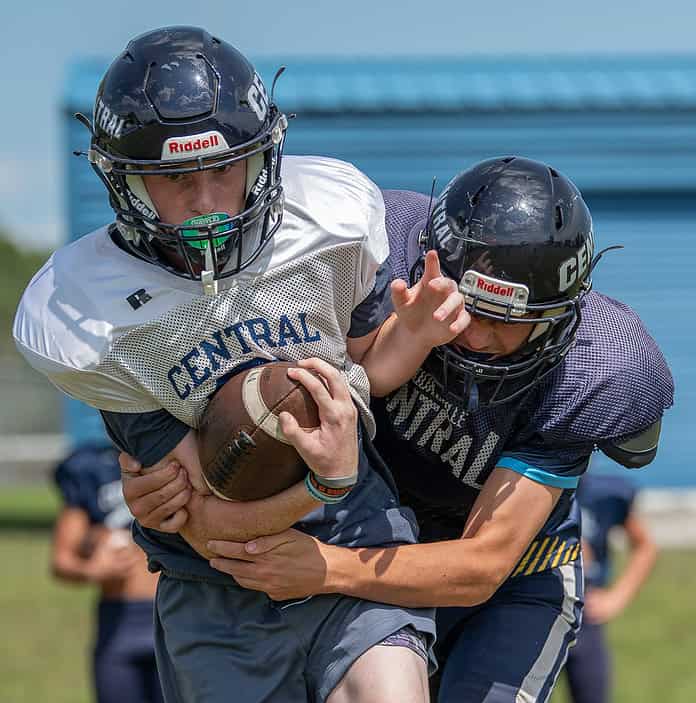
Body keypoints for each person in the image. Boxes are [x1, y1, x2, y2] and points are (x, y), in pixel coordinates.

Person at [14, 25, 472, 703]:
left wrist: (414, 334)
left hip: (353, 540)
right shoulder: (93, 312)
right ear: (126, 182)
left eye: (224, 169)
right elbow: (201, 515)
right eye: (174, 178)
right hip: (217, 583)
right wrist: (327, 480)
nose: (205, 201)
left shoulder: (328, 225)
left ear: (264, 158)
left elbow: (364, 372)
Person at [185, 157, 674, 702]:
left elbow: (483, 563)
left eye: (506, 320)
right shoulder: (378, 250)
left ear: (558, 313)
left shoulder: (593, 369)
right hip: (372, 544)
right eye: (465, 306)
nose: (476, 335)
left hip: (510, 583)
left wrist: (326, 568)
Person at [51, 443, 162, 703]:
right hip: (119, 623)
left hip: (176, 615)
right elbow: (62, 560)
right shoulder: (92, 468)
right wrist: (93, 569)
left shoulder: (184, 454)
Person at [563, 471, 657, 703]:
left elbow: (645, 546)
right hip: (534, 607)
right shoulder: (529, 483)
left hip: (585, 615)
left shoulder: (606, 493)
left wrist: (618, 597)